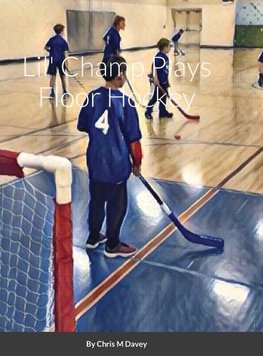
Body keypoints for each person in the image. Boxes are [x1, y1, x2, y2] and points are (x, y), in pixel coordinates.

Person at [77, 55, 142, 258]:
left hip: (95, 160)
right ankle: (113, 244)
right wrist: (137, 163)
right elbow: (134, 141)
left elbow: (83, 125)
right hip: (116, 163)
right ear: (120, 75)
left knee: (96, 199)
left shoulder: (92, 97)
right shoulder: (125, 103)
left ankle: (93, 236)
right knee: (117, 203)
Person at [145, 38, 173, 120]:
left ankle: (163, 112)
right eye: (169, 46)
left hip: (164, 81)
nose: (170, 48)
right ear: (165, 47)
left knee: (163, 97)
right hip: (159, 82)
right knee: (155, 98)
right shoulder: (159, 57)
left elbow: (165, 70)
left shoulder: (165, 57)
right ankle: (148, 111)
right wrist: (155, 79)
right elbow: (154, 68)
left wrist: (167, 81)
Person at [44, 24, 69, 99]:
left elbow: (45, 47)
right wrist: (67, 64)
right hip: (61, 60)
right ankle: (64, 92)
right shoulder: (63, 41)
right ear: (61, 31)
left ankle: (52, 93)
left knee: (52, 77)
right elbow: (65, 53)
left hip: (53, 60)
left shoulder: (52, 39)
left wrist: (50, 51)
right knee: (62, 77)